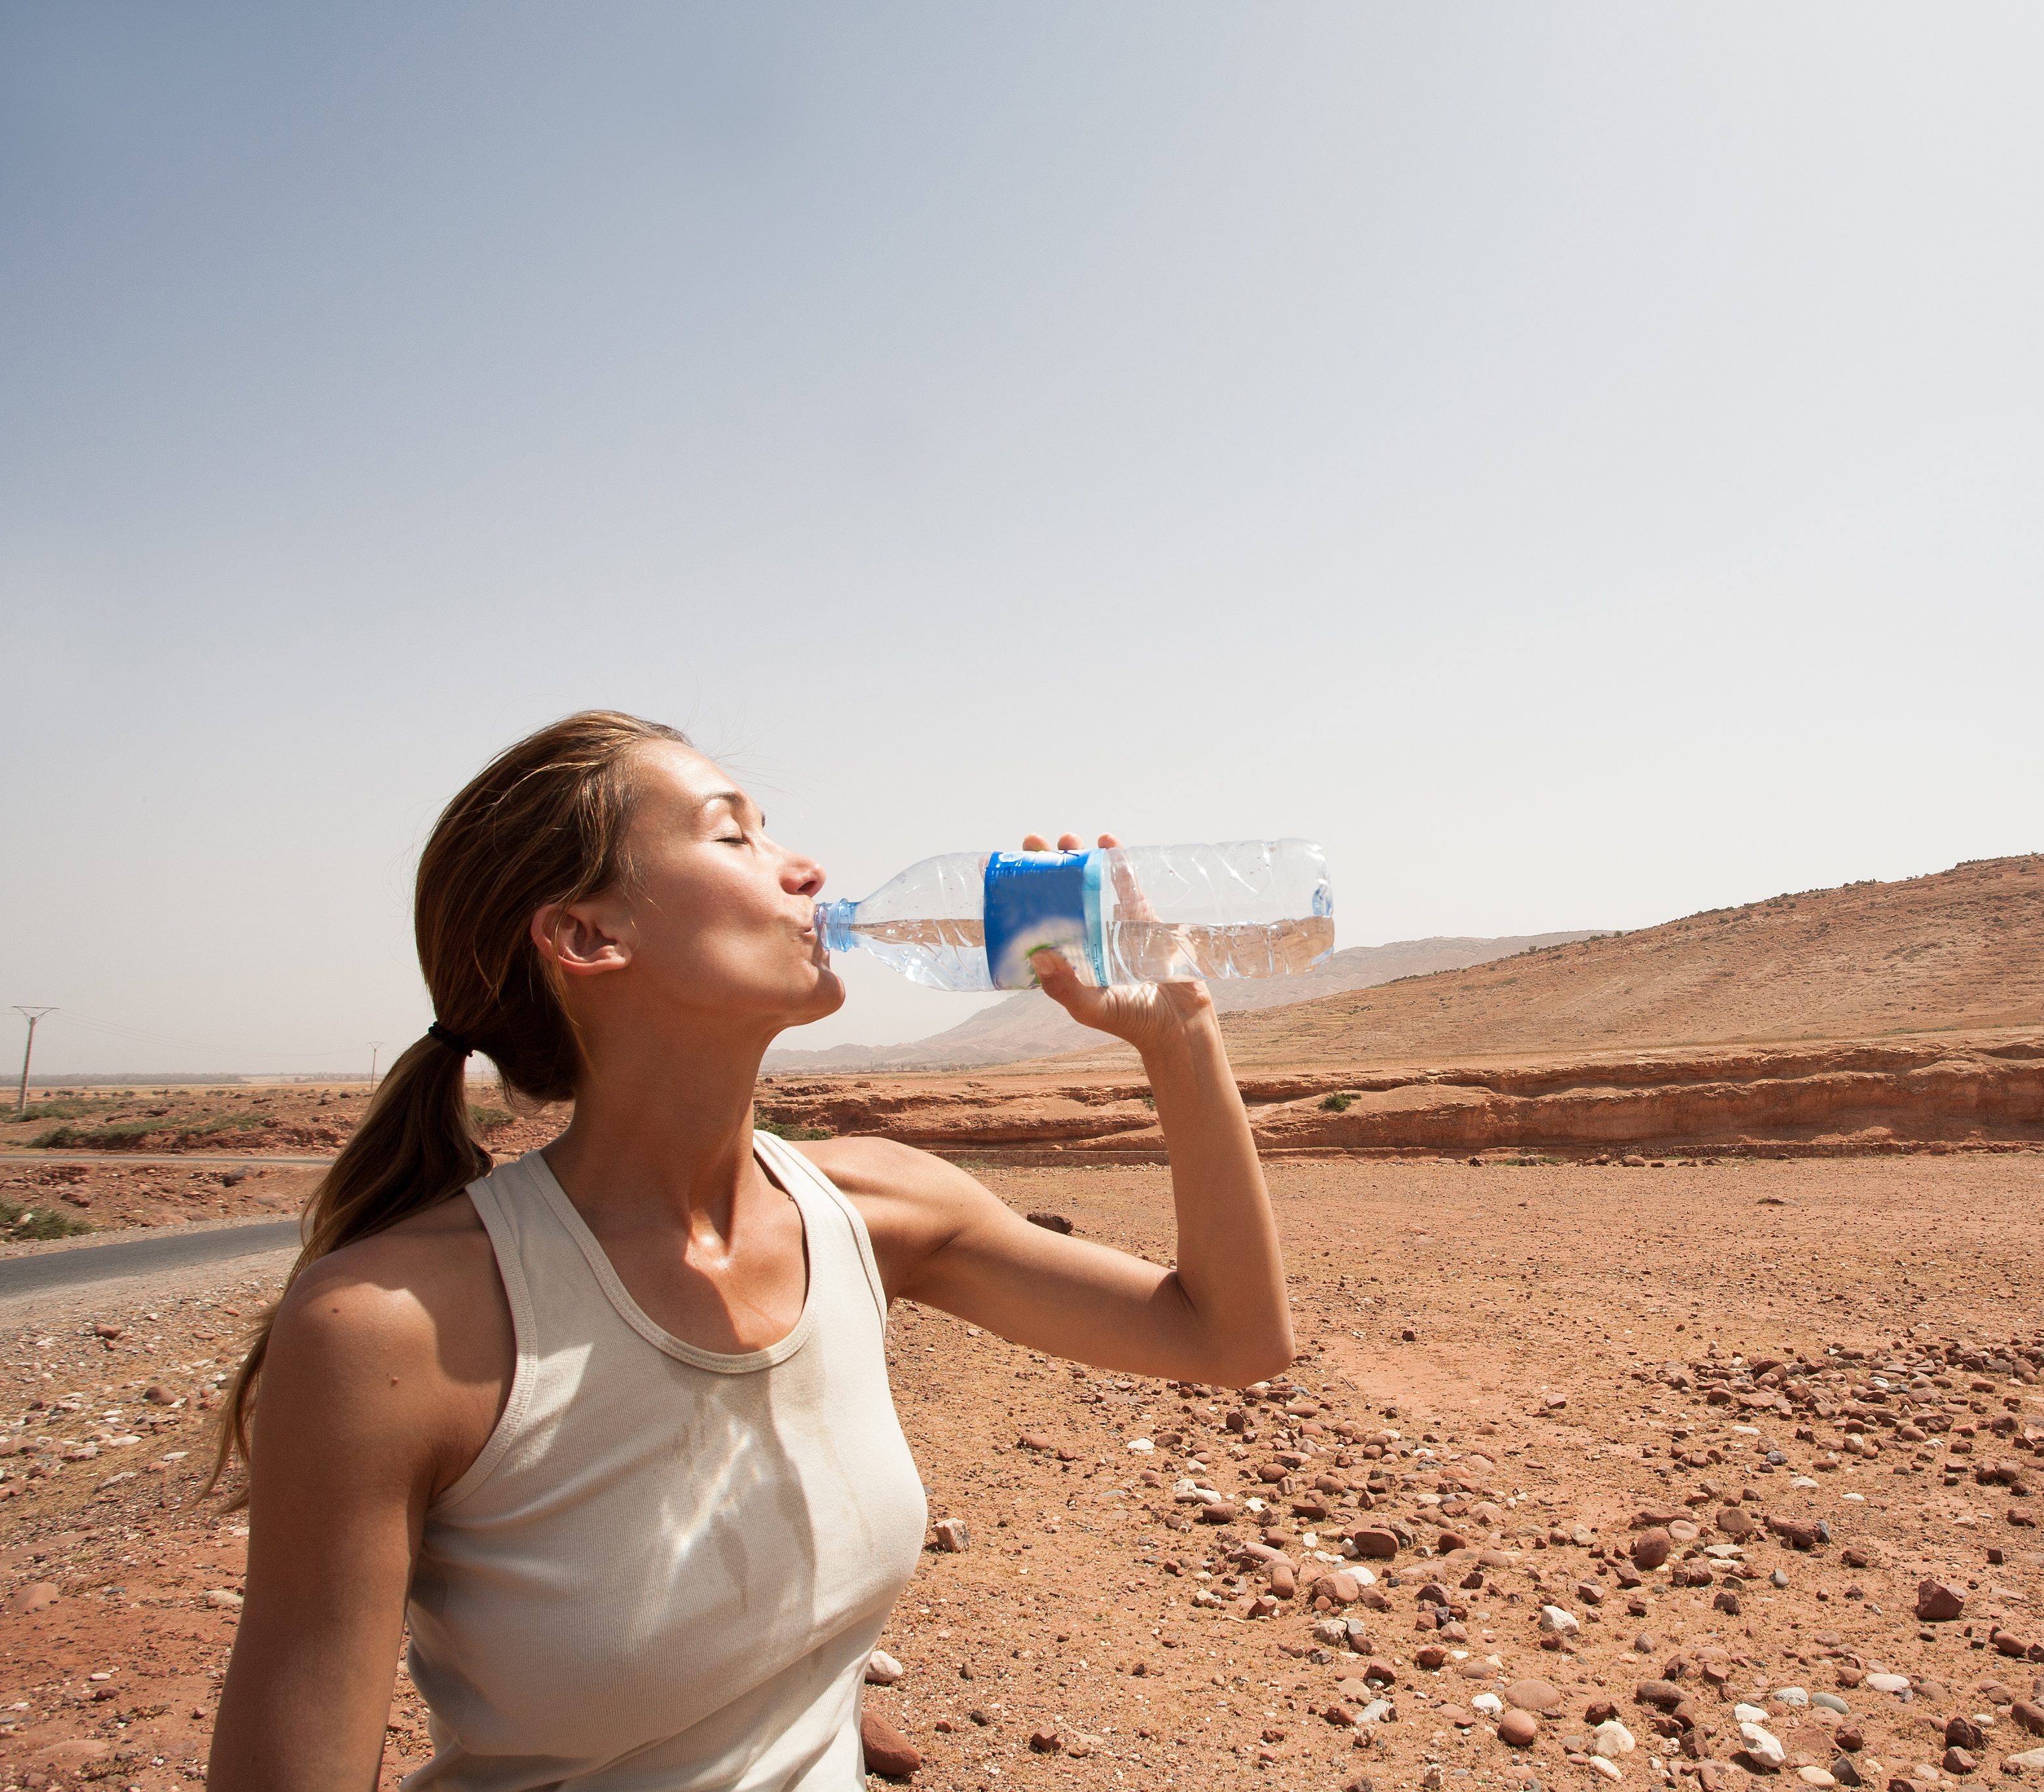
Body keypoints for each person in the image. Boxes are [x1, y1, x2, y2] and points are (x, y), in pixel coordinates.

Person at [208, 711, 1293, 1791]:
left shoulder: (877, 1202)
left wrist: (1180, 1029)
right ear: (588, 937)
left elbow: (1230, 1336)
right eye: (735, 837)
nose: (809, 870)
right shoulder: (392, 1328)